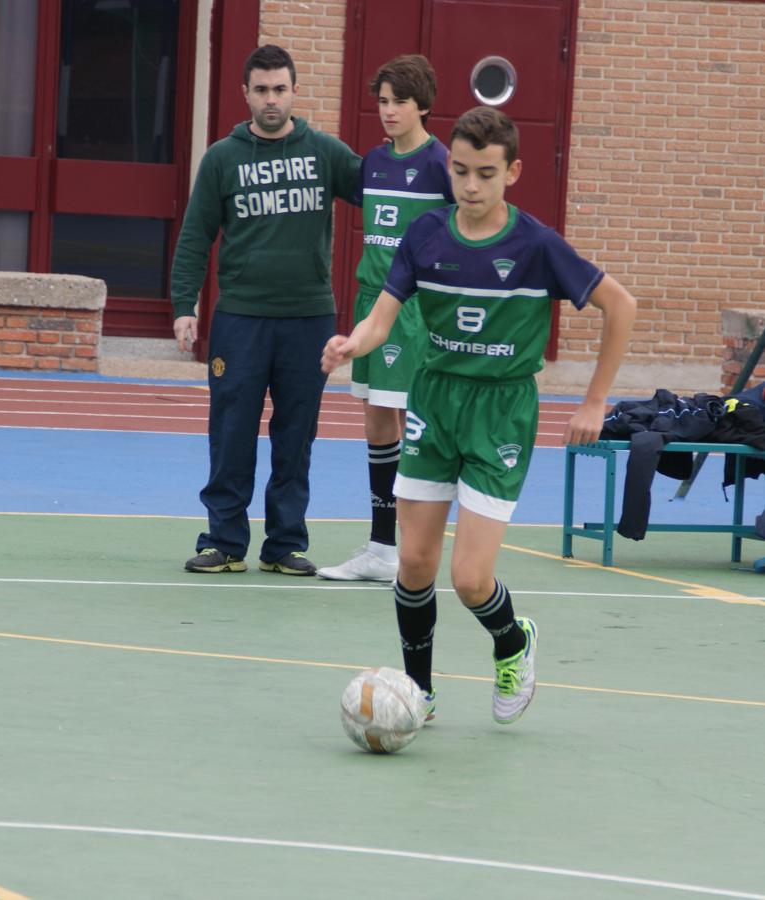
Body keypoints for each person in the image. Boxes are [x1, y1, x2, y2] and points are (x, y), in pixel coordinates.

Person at [321, 107, 636, 723]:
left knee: (468, 578)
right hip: (434, 399)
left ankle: (513, 642)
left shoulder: (536, 245)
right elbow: (382, 317)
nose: (470, 186)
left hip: (501, 412)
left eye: (485, 174)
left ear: (512, 172)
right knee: (412, 562)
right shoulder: (426, 236)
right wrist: (353, 343)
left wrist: (595, 400)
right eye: (460, 171)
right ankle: (421, 692)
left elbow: (620, 306)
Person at [171, 44, 361, 576]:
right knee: (231, 430)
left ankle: (285, 545)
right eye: (261, 90)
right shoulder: (222, 158)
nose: (271, 99)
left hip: (309, 319)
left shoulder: (325, 152)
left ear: (295, 91)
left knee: (296, 435)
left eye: (280, 89)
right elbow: (193, 238)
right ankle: (224, 542)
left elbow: (381, 190)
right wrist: (185, 304)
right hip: (241, 319)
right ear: (246, 94)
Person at [317, 54, 453, 583]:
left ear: (422, 104)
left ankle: (406, 546)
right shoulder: (372, 163)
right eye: (382, 101)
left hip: (412, 308)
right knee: (375, 418)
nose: (388, 110)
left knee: (404, 419)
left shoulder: (442, 162)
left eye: (398, 101)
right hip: (369, 300)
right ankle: (380, 546)